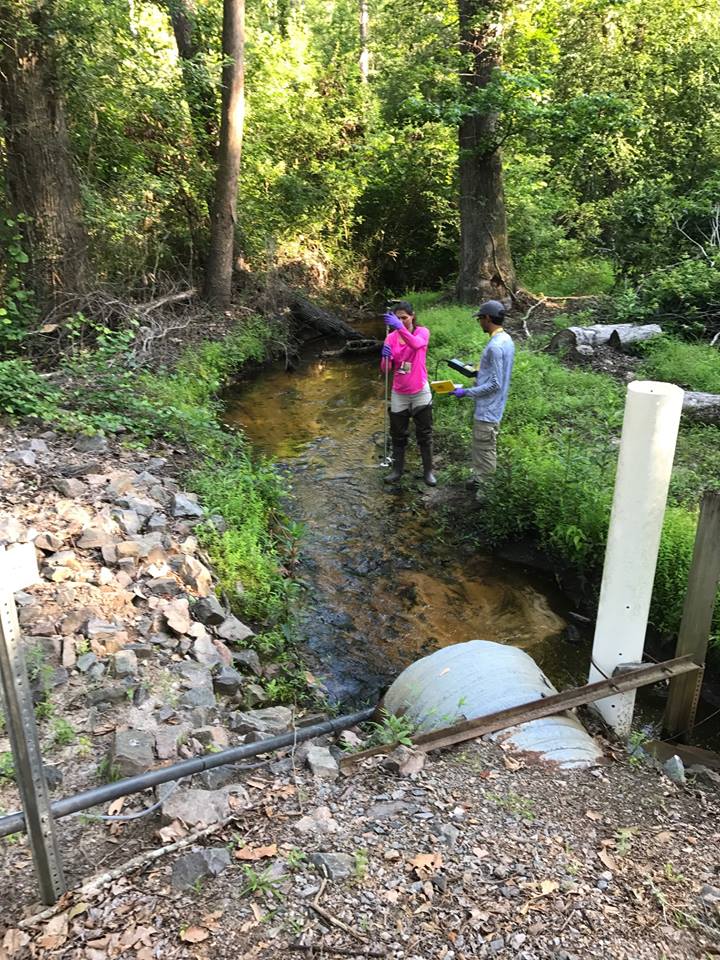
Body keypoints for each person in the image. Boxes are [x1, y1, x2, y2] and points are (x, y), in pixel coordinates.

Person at [451, 300, 515, 489]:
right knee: (484, 447)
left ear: (487, 318)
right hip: (496, 405)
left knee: (485, 448)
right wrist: (480, 372)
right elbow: (497, 373)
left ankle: (485, 489)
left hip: (488, 408)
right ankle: (480, 479)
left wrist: (466, 392)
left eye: (480, 319)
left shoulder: (495, 346)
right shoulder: (507, 339)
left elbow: (495, 384)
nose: (479, 323)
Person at [380, 300, 436, 486]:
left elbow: (417, 345)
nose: (401, 321)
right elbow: (386, 369)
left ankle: (428, 472)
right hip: (399, 392)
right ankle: (397, 471)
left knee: (424, 433)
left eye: (404, 318)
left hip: (420, 390)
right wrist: (385, 357)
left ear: (412, 316)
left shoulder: (422, 332)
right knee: (398, 433)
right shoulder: (390, 338)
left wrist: (400, 328)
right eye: (397, 319)